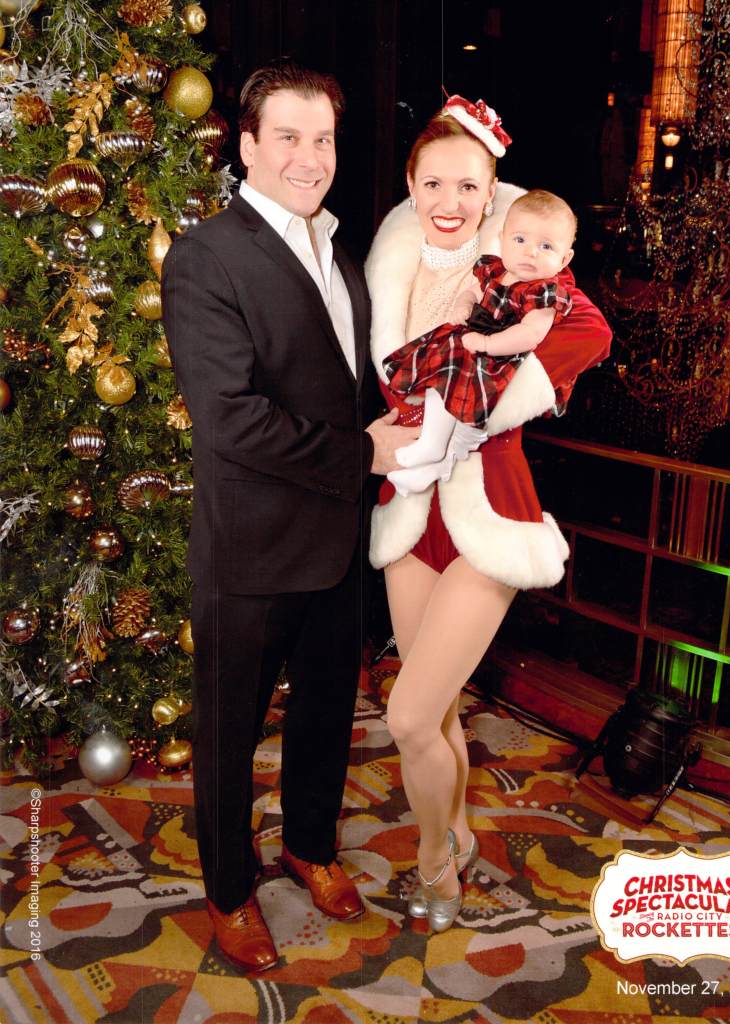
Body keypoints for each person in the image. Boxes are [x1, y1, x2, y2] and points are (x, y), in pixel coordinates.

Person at [161, 59, 417, 973]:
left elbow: (342, 384)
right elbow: (231, 419)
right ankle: (229, 889)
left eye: (324, 139)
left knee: (324, 716)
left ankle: (309, 847)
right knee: (228, 733)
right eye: (289, 138)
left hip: (337, 543)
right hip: (253, 548)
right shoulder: (205, 255)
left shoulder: (337, 248)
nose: (310, 158)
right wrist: (364, 455)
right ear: (247, 146)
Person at [365, 94, 612, 931]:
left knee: (403, 714)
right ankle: (458, 833)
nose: (448, 202)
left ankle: (436, 865)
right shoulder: (390, 275)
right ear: (410, 186)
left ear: (491, 192)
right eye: (432, 183)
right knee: (430, 715)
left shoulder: (517, 273)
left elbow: (591, 335)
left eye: (467, 187)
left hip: (486, 517)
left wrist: (497, 387)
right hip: (408, 513)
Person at [382, 189, 578, 495]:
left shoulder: (544, 294)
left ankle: (439, 458)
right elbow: (472, 292)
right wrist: (463, 306)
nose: (531, 252)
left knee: (467, 418)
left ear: (564, 258)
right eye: (520, 240)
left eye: (546, 246)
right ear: (502, 239)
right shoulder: (495, 270)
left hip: (502, 358)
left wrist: (487, 345)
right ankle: (432, 451)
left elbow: (529, 335)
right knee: (440, 376)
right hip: (473, 342)